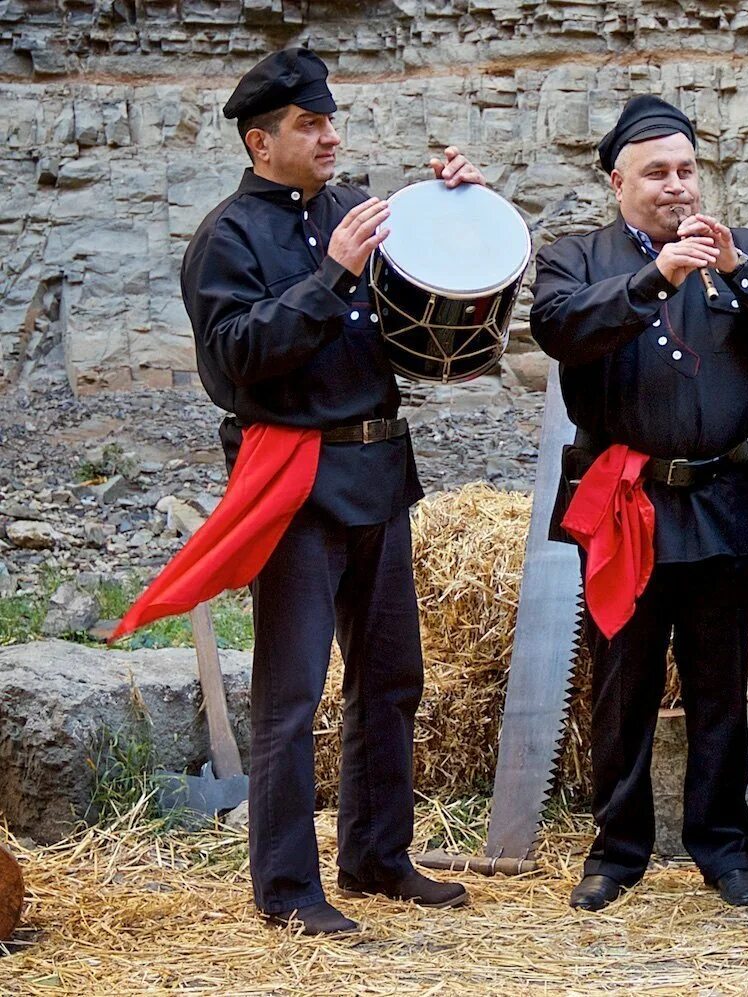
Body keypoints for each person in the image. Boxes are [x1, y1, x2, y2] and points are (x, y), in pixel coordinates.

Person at [179, 47, 483, 935]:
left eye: (330, 121)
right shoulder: (225, 239)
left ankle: (376, 858)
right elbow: (234, 363)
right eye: (310, 125)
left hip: (380, 472)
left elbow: (445, 296)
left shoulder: (356, 209)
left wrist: (456, 203)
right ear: (260, 141)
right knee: (291, 694)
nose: (330, 136)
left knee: (392, 679)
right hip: (297, 487)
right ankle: (286, 890)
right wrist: (330, 278)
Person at [529, 95, 748, 911]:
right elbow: (559, 329)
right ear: (618, 183)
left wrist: (740, 270)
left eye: (688, 170)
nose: (677, 186)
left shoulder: (742, 252)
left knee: (719, 682)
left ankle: (723, 849)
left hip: (719, 495)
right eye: (657, 172)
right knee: (620, 680)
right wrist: (655, 277)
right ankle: (616, 853)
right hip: (625, 501)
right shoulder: (576, 257)